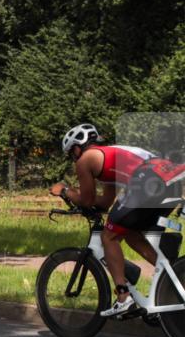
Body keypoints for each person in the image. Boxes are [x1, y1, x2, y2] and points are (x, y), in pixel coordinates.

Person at [50, 123, 185, 317]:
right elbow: (105, 203)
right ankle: (171, 278)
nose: (73, 159)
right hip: (168, 181)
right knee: (130, 234)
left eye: (71, 153)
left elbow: (87, 200)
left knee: (109, 236)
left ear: (77, 148)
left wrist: (65, 191)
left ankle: (123, 297)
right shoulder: (111, 156)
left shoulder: (85, 160)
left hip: (146, 180)